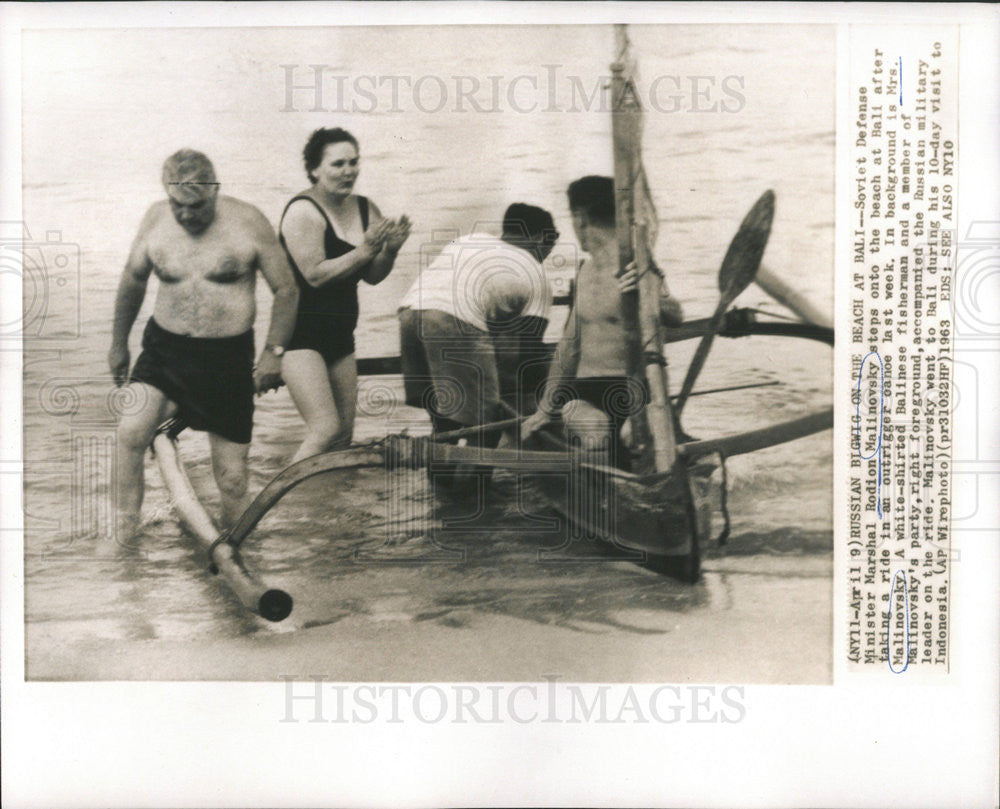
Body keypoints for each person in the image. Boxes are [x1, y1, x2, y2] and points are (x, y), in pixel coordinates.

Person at [108, 149, 299, 540]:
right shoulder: (156, 218)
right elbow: (133, 278)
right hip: (164, 353)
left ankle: (240, 551)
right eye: (178, 204)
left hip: (226, 360)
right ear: (167, 194)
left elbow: (286, 290)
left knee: (231, 480)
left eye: (196, 205)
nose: (187, 215)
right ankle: (124, 539)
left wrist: (273, 352)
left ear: (214, 191)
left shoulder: (248, 221)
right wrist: (118, 344)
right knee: (129, 434)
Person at [520, 175, 683, 470]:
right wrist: (544, 409)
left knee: (629, 438)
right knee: (594, 428)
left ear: (579, 218)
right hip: (585, 396)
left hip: (637, 392)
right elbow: (568, 348)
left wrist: (648, 293)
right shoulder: (583, 272)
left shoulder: (639, 264)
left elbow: (676, 315)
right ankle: (612, 479)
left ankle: (633, 474)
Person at [279, 127, 411, 463]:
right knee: (324, 430)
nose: (349, 171)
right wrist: (367, 249)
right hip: (300, 336)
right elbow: (316, 274)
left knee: (342, 438)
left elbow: (372, 277)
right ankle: (281, 504)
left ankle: (327, 510)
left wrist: (390, 252)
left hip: (341, 336)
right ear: (314, 169)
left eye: (354, 162)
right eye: (338, 164)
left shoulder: (367, 208)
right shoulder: (302, 211)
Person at [397, 204, 558, 451]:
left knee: (444, 410)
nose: (551, 248)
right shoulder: (536, 272)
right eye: (553, 239)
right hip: (450, 321)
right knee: (487, 415)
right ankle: (472, 485)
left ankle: (443, 479)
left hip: (409, 313)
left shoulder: (471, 239)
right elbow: (527, 354)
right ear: (538, 237)